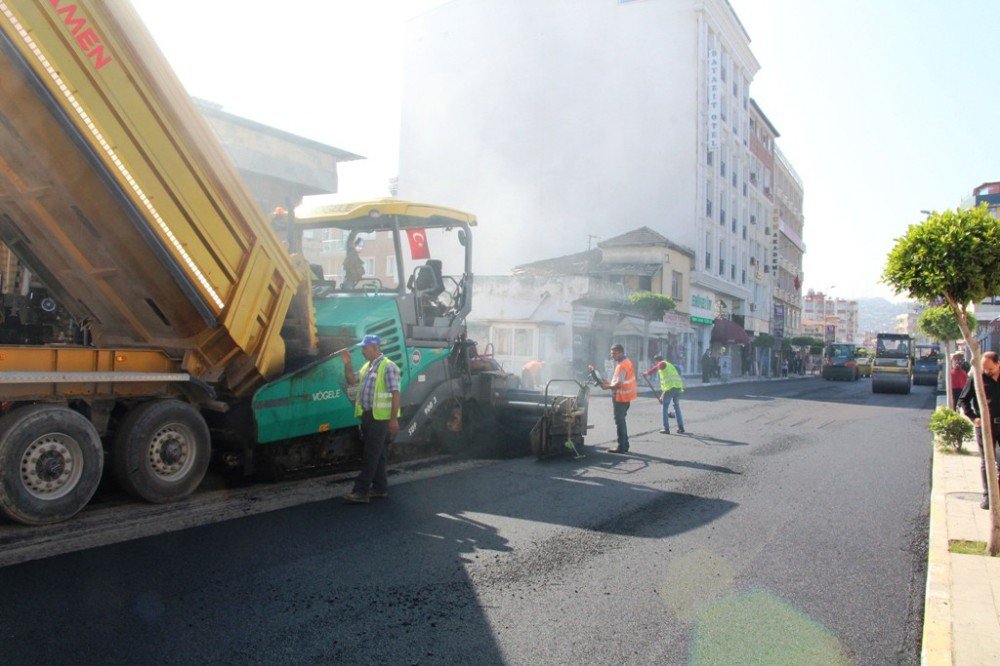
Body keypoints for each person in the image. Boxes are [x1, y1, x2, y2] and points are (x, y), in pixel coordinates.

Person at [340, 334, 401, 504]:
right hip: (368, 416)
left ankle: (361, 491)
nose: (362, 351)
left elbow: (395, 394)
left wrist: (393, 419)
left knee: (370, 454)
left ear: (375, 347)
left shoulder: (388, 367)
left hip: (381, 418)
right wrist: (347, 364)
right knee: (378, 454)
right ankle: (380, 488)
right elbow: (352, 381)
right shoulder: (367, 366)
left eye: (364, 348)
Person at [957, 351, 1000, 510]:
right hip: (985, 426)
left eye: (990, 369)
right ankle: (988, 496)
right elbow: (963, 400)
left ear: (998, 364)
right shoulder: (977, 377)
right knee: (987, 461)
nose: (987, 372)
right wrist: (973, 417)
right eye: (984, 369)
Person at [601, 343, 637, 453]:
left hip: (621, 398)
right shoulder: (623, 362)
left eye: (614, 353)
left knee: (619, 421)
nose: (612, 355)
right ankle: (624, 445)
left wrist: (607, 386)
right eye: (611, 353)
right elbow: (617, 381)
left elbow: (619, 383)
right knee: (621, 421)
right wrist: (609, 383)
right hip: (624, 397)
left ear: (621, 352)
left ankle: (622, 446)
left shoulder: (623, 364)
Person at [643, 354, 685, 434]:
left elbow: (658, 366)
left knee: (664, 408)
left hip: (671, 388)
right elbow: (668, 383)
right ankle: (681, 427)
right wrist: (662, 396)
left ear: (657, 361)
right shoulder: (670, 365)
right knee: (676, 407)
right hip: (677, 387)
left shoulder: (662, 363)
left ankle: (666, 428)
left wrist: (647, 373)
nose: (656, 364)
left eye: (656, 362)